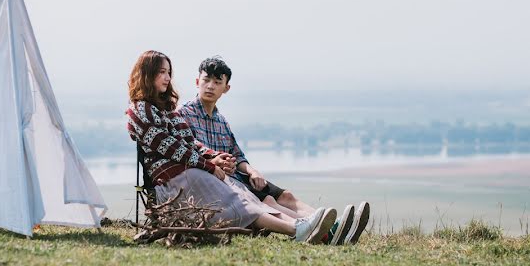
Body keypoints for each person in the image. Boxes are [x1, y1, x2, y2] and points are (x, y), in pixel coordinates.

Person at [125, 50, 336, 243]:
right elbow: (170, 147)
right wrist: (210, 164)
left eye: (169, 72)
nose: (168, 78)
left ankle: (311, 227)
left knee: (250, 196)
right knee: (244, 199)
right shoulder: (139, 110)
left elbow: (190, 143)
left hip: (192, 172)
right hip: (174, 180)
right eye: (162, 72)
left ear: (226, 87)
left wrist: (215, 156)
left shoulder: (171, 111)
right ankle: (301, 229)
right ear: (147, 74)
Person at [178, 55, 370, 245]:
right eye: (206, 80)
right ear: (197, 82)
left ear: (226, 88)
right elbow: (190, 150)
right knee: (268, 201)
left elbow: (237, 155)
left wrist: (252, 171)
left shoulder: (221, 121)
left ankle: (335, 226)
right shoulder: (185, 114)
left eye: (217, 82)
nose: (210, 86)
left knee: (285, 196)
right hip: (218, 181)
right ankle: (324, 233)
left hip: (237, 176)